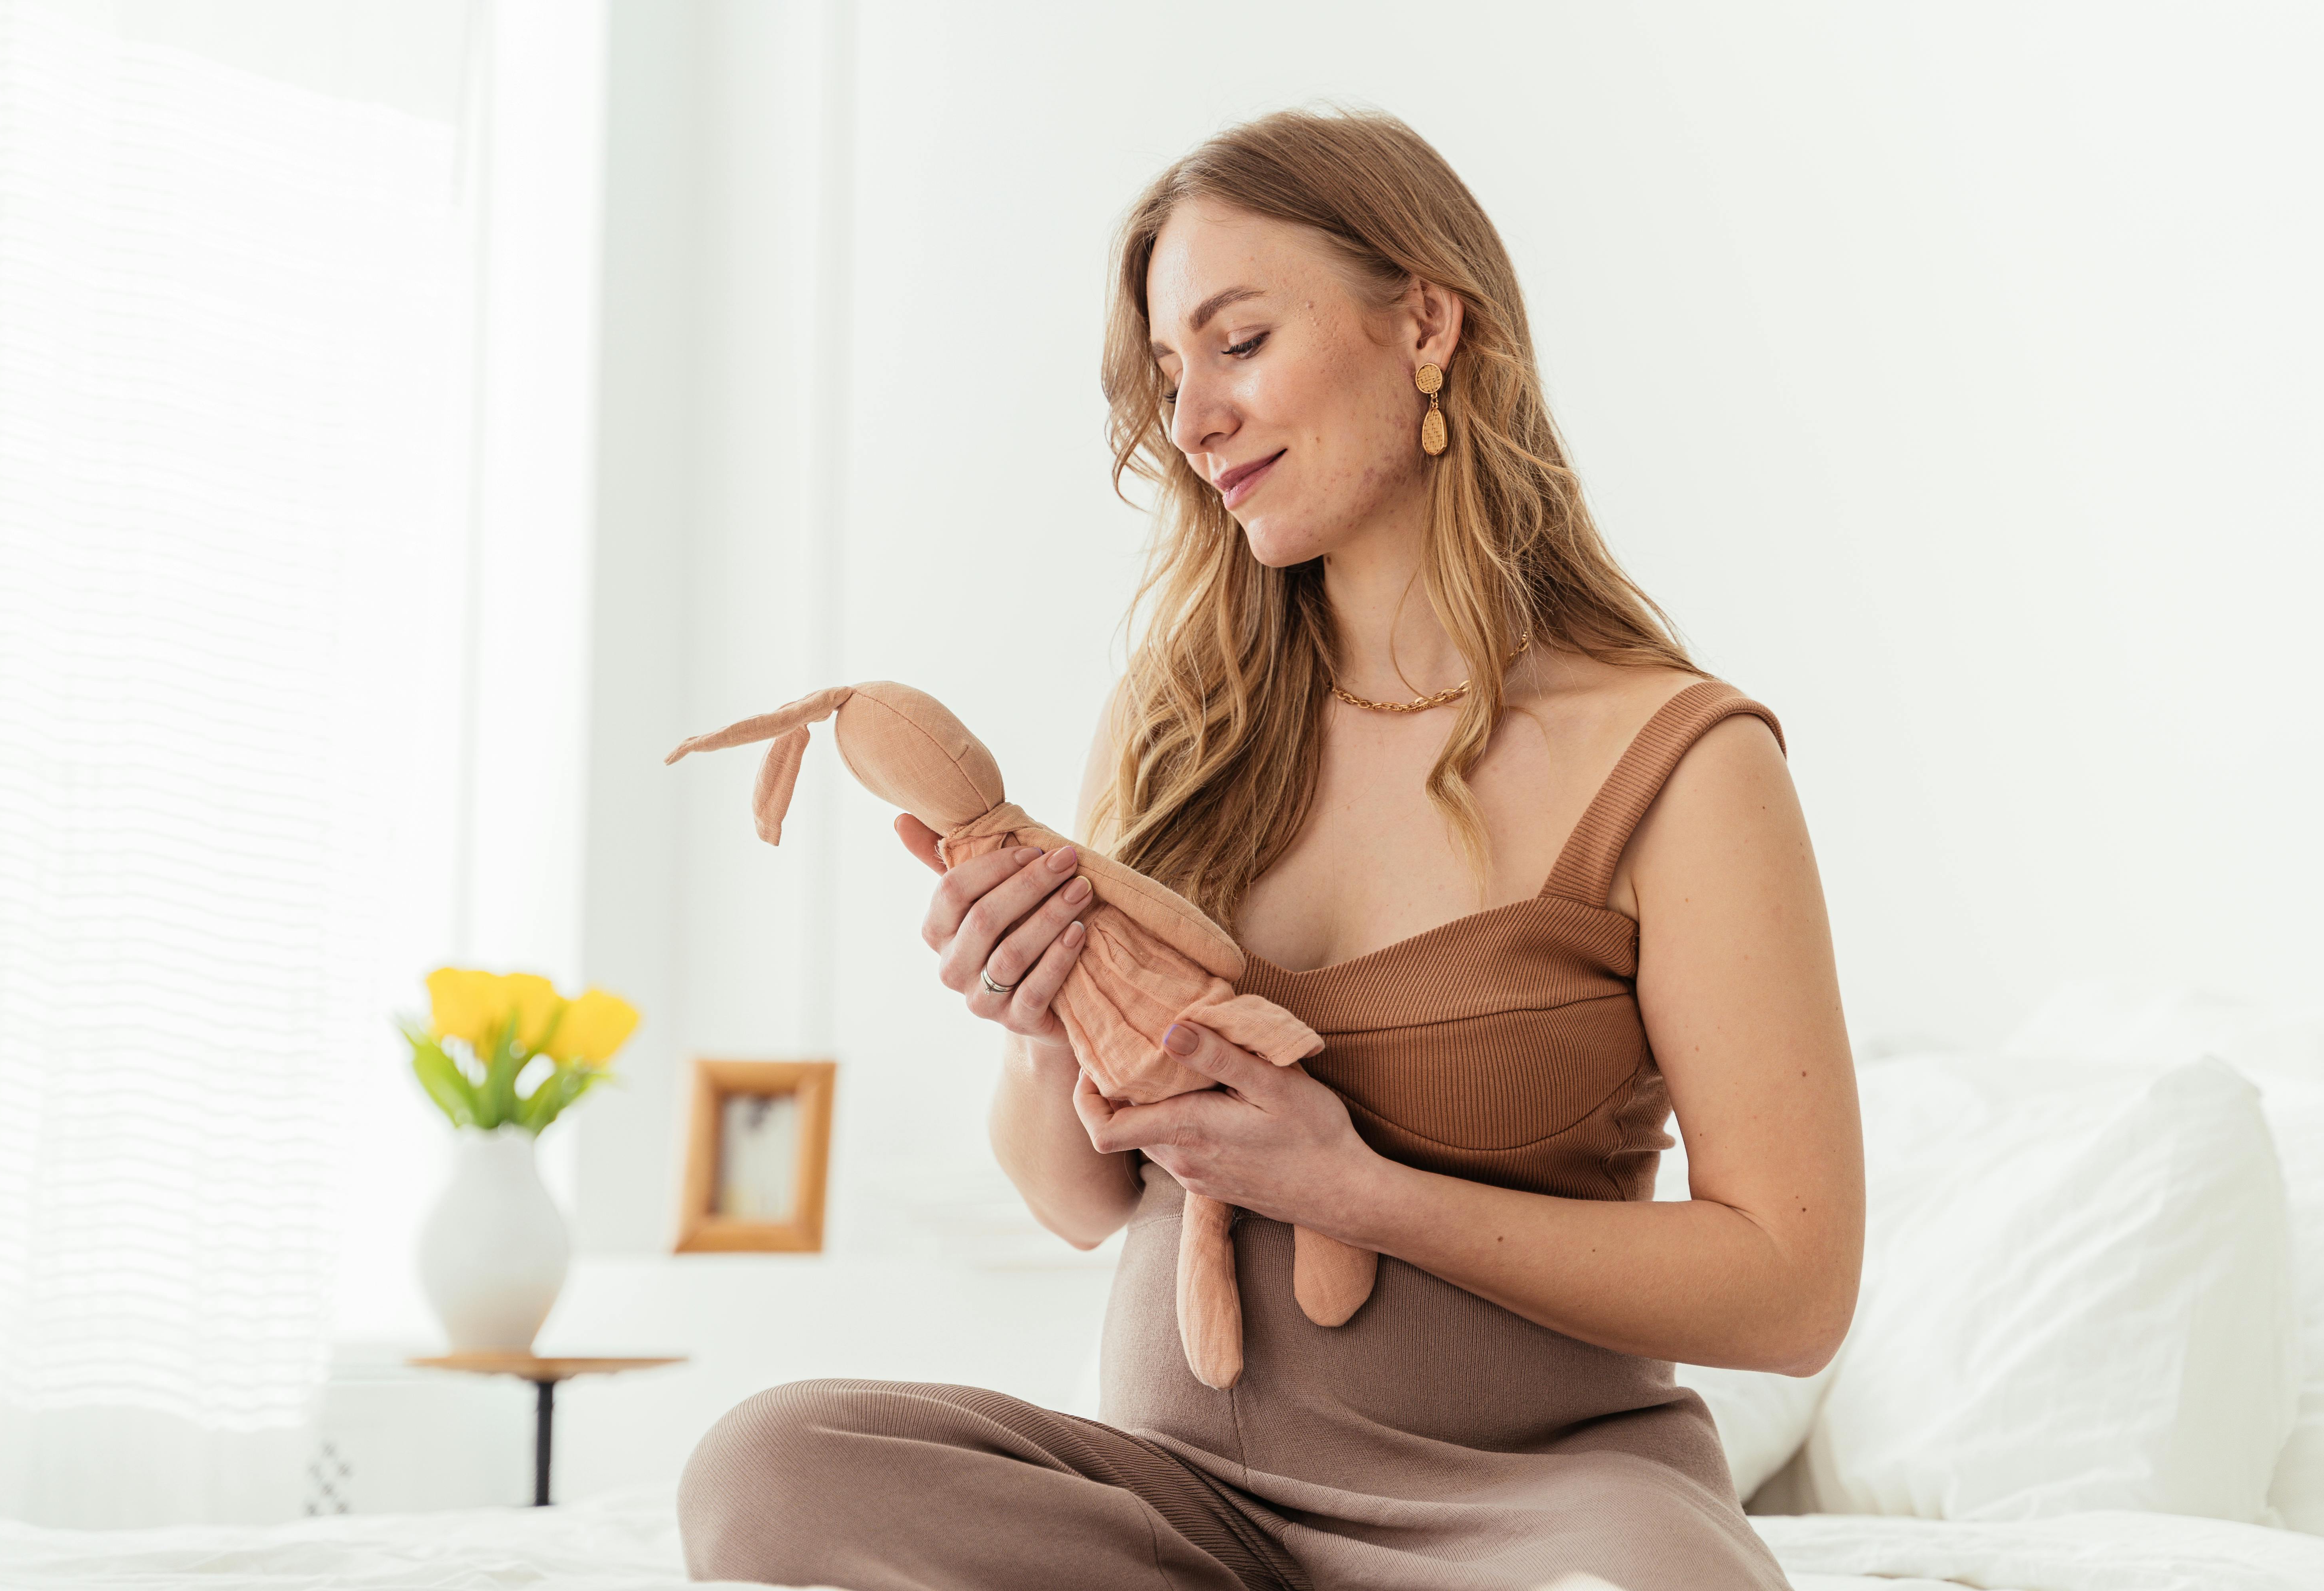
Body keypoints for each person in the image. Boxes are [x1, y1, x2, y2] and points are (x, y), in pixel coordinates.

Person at [678, 106, 1861, 1591]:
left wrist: (1361, 1192)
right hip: (1183, 1517)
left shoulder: (1683, 761)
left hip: (1535, 1510)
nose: (1192, 422)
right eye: (1170, 376)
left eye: (1239, 344)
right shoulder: (1178, 724)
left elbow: (1793, 1285)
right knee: (772, 1469)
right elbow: (1075, 1197)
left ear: (1426, 323)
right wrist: (1042, 1026)